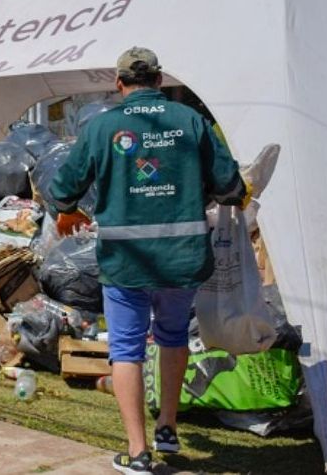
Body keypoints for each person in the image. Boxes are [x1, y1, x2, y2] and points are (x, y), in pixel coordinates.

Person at [49, 47, 248, 475]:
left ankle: (138, 453)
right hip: (183, 261)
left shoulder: (102, 127)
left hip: (126, 263)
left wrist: (67, 208)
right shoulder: (191, 121)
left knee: (126, 350)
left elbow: (63, 188)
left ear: (119, 85)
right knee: (173, 337)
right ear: (160, 81)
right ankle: (168, 428)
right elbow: (230, 184)